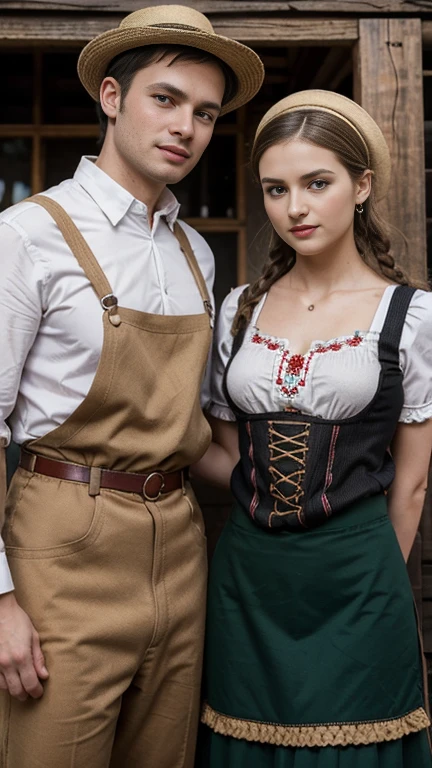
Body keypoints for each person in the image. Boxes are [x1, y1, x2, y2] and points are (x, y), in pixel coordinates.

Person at [0, 6, 264, 767]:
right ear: (112, 98)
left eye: (206, 113)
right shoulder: (28, 235)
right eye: (166, 98)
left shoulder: (196, 257)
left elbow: (203, 430)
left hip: (181, 544)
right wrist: (1, 602)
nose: (187, 125)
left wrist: (305, 487)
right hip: (62, 546)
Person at [195, 89, 432, 767]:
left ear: (361, 186)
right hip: (249, 576)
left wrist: (369, 581)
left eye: (316, 183)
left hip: (359, 579)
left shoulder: (412, 317)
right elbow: (222, 452)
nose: (294, 207)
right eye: (276, 189)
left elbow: (411, 485)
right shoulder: (240, 309)